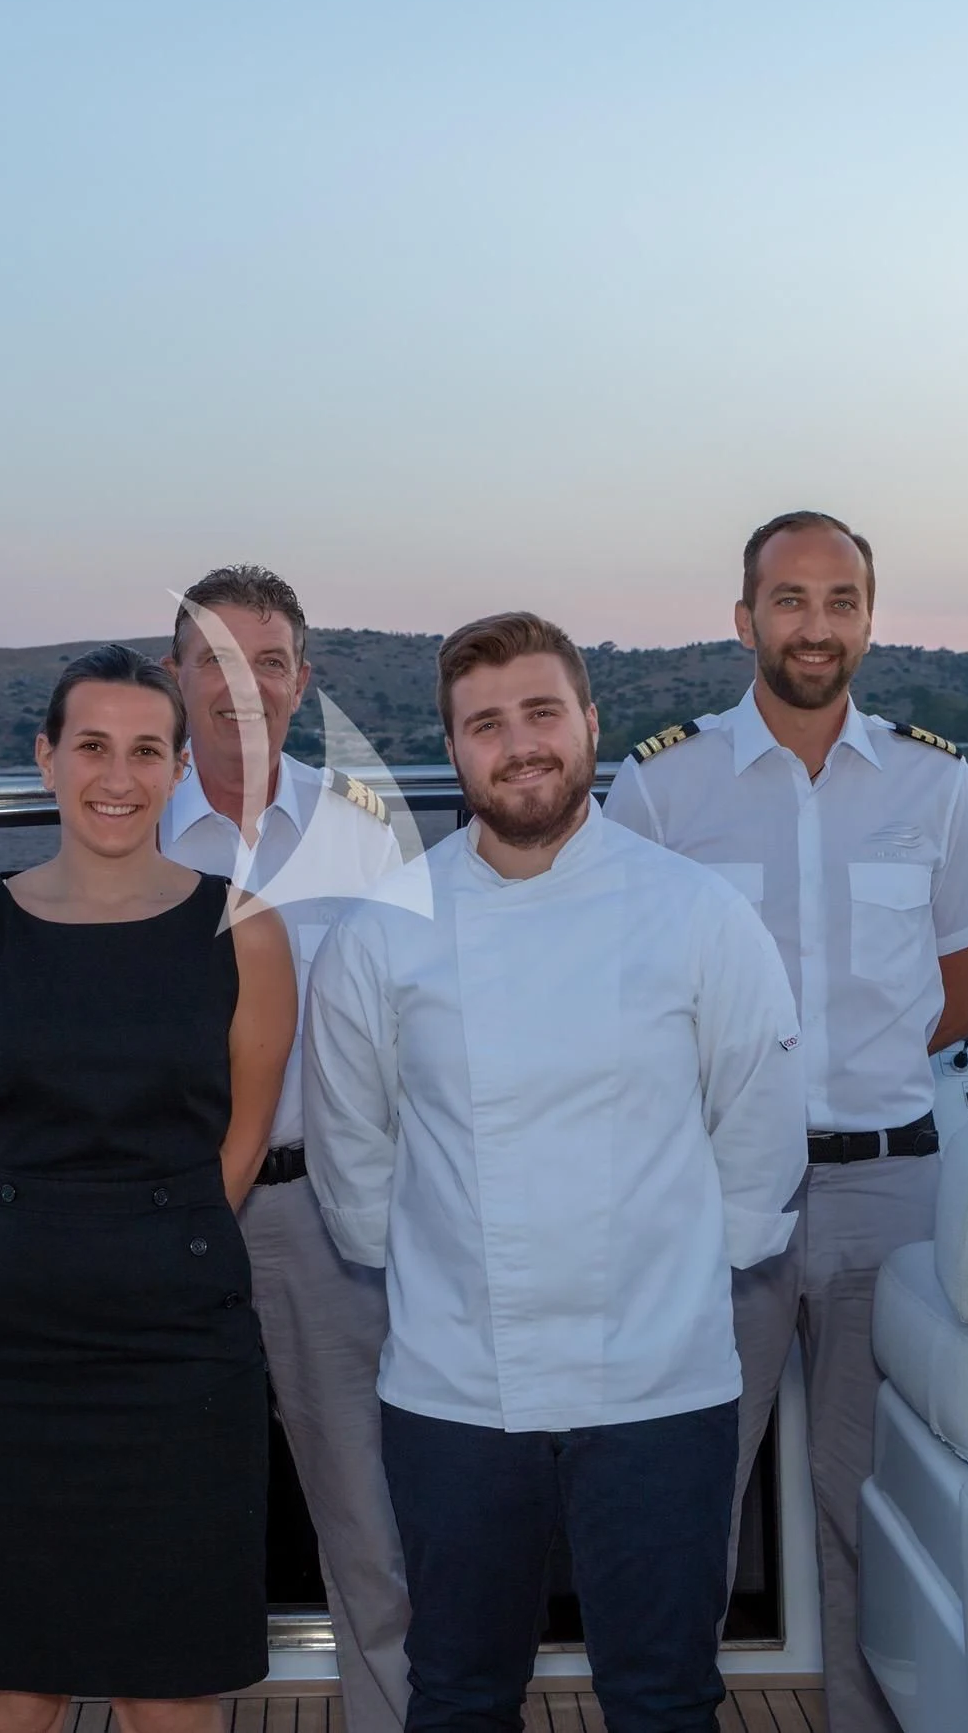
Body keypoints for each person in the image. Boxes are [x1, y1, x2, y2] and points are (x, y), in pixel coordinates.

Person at [306, 612, 809, 1733]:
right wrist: (446, 1275)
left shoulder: (698, 915)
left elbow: (760, 1134)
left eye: (542, 712)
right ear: (454, 748)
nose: (519, 743)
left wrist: (671, 1280)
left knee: (665, 1697)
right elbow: (353, 1158)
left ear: (591, 724)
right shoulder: (383, 934)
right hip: (455, 1386)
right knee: (459, 1694)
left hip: (661, 1382)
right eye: (485, 723)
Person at [605, 512, 968, 1733]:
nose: (815, 625)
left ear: (868, 621)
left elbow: (960, 996)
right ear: (745, 621)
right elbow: (626, 992)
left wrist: (843, 1085)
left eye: (840, 600)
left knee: (875, 1501)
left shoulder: (936, 784)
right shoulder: (663, 785)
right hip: (710, 1194)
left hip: (886, 1194)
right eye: (790, 600)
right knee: (683, 1495)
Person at [0, 644, 299, 1733]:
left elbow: (243, 1141)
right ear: (45, 758)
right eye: (91, 746)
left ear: (175, 770)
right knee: (7, 1683)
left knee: (169, 1685)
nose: (116, 776)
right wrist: (17, 1247)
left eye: (145, 750)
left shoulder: (247, 928)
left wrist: (140, 1245)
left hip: (177, 1342)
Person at [158, 564, 411, 1733]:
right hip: (163, 1221)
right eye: (214, 657)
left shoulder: (367, 839)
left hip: (327, 1220)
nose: (241, 686)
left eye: (267, 661)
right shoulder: (126, 822)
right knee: (163, 1522)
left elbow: (426, 1029)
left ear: (302, 682)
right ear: (174, 675)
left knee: (369, 1523)